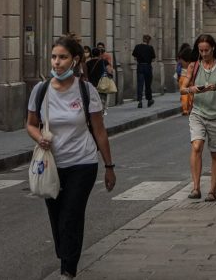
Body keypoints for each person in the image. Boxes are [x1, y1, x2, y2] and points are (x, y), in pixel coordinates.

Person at [26, 34, 116, 280]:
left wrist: (109, 166)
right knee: (57, 217)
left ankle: (68, 270)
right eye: (54, 57)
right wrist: (38, 137)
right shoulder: (41, 90)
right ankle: (66, 254)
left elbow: (99, 130)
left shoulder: (86, 91)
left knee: (71, 214)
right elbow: (31, 124)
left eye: (62, 57)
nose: (56, 62)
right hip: (51, 164)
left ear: (75, 60)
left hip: (83, 163)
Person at [179, 33, 216, 201]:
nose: (203, 54)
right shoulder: (193, 66)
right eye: (201, 51)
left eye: (207, 50)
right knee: (196, 146)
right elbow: (182, 89)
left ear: (213, 49)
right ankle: (196, 188)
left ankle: (212, 191)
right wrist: (192, 89)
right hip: (198, 113)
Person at [85, 46, 114, 112]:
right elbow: (110, 71)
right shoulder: (104, 62)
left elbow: (86, 74)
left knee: (93, 101)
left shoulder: (88, 63)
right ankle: (101, 113)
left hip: (92, 85)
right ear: (99, 54)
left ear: (92, 54)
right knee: (102, 101)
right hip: (102, 85)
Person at [131, 34, 156, 108]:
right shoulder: (150, 48)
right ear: (149, 41)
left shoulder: (137, 47)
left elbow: (135, 58)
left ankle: (140, 101)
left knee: (140, 84)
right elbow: (153, 59)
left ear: (143, 39)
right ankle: (149, 100)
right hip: (147, 66)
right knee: (148, 84)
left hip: (140, 66)